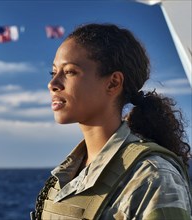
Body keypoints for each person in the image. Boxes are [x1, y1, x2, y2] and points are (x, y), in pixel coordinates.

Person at [31, 23, 192, 220]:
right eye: (53, 72)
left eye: (70, 72)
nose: (52, 84)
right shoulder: (66, 175)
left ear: (113, 82)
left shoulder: (151, 176)